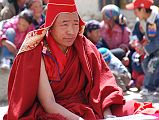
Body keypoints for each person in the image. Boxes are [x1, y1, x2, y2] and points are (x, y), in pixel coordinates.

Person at [3, 0, 159, 120]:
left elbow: (102, 85)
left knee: (142, 112)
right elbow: (48, 103)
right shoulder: (36, 50)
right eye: (65, 24)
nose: (71, 31)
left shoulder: (83, 45)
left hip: (89, 103)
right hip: (53, 110)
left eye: (75, 24)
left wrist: (108, 115)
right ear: (50, 26)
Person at [126, 0, 159, 96]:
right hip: (152, 51)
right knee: (145, 63)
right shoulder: (140, 21)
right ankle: (155, 85)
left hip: (155, 50)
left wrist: (145, 49)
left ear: (143, 10)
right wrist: (135, 42)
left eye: (136, 10)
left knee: (153, 63)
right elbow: (135, 33)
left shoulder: (156, 20)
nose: (134, 13)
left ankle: (149, 88)